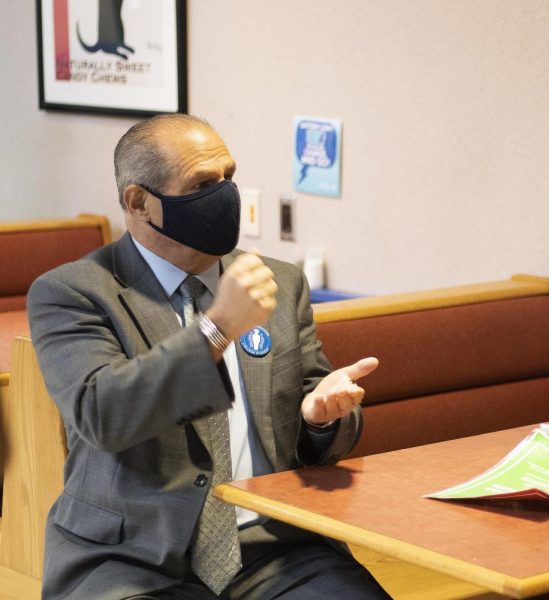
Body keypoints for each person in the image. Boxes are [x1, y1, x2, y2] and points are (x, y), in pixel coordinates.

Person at [27, 114, 390, 599]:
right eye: (202, 184)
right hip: (132, 559)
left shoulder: (277, 281)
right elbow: (103, 413)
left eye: (229, 177)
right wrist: (217, 329)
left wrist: (322, 419)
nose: (224, 195)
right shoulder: (74, 292)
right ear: (139, 203)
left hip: (276, 549)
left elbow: (315, 403)